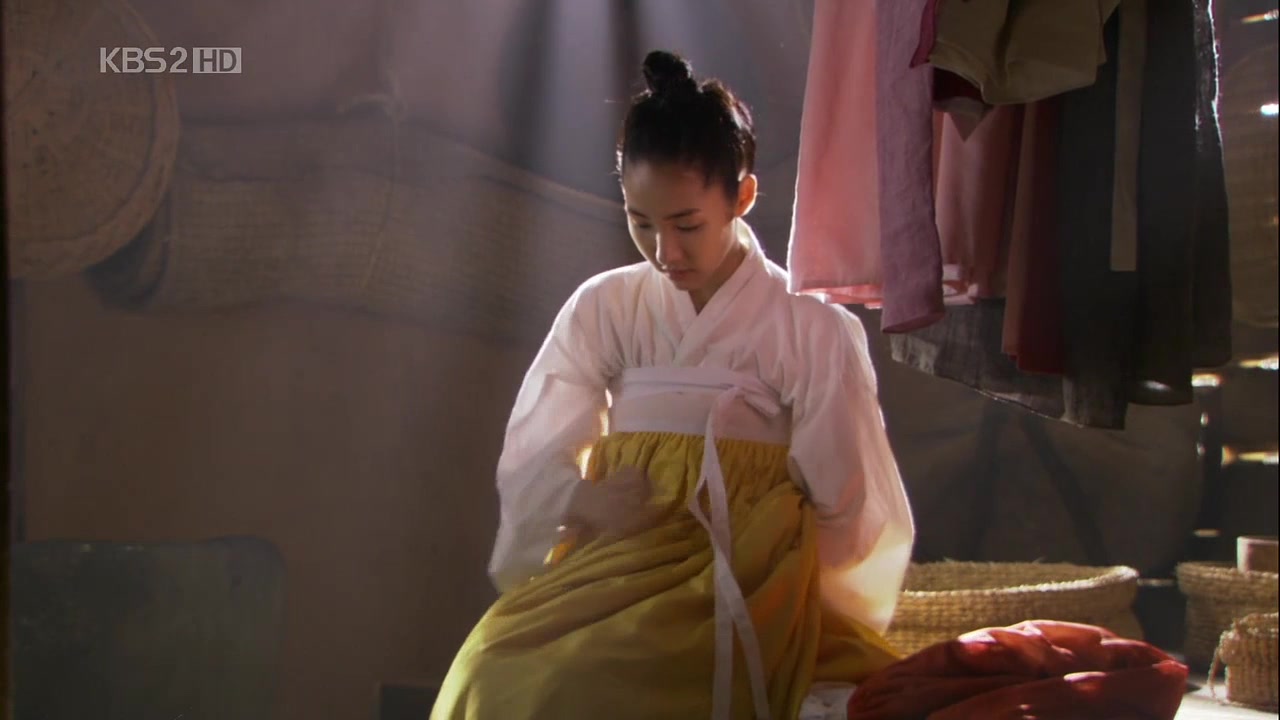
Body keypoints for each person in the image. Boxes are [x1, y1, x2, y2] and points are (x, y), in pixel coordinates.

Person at [431, 50, 915, 720]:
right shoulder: (605, 307)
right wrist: (584, 500)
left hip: (747, 580)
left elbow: (851, 505)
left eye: (687, 224)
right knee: (492, 678)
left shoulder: (811, 328)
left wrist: (812, 608)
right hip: (616, 565)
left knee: (590, 689)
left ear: (742, 197)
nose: (666, 253)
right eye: (641, 222)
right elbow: (535, 449)